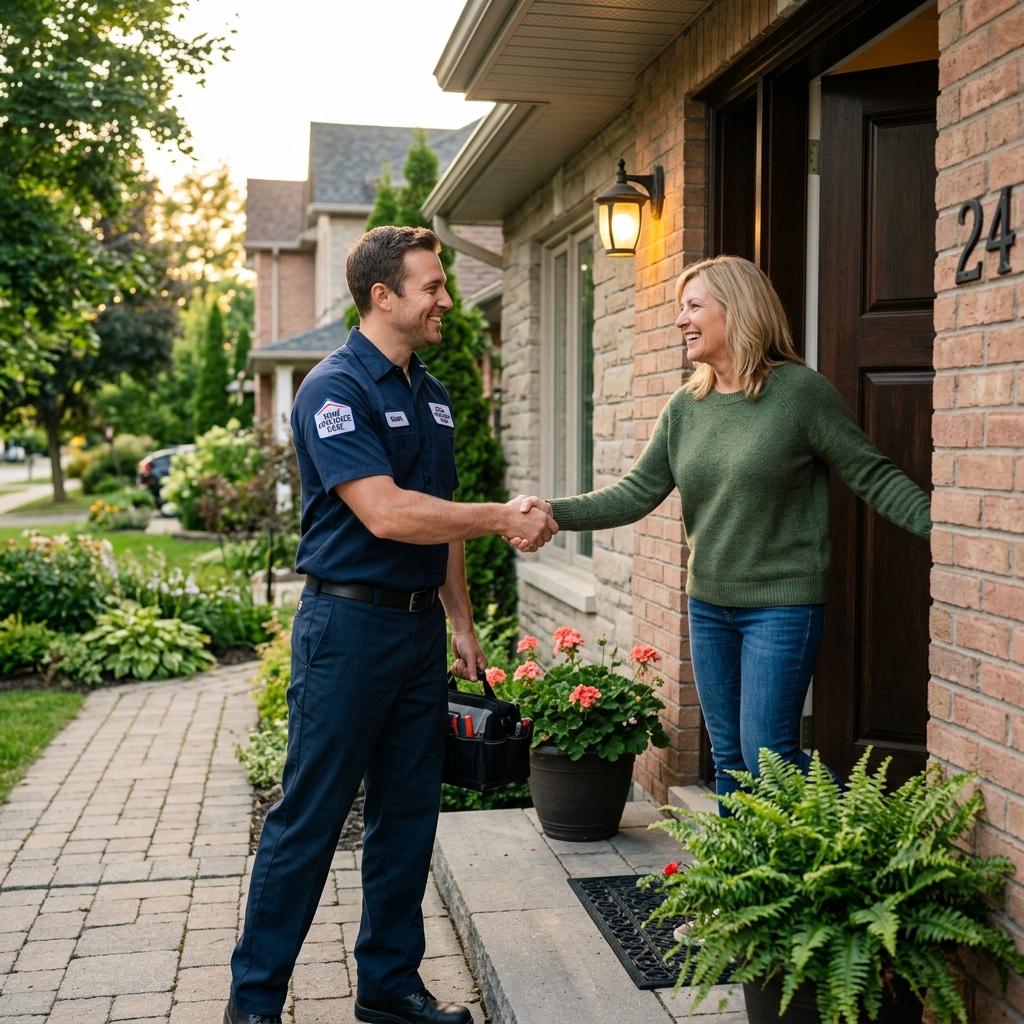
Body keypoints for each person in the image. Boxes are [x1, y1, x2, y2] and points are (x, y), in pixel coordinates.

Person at [225, 226, 558, 1024]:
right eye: (432, 287)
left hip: (416, 636)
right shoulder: (332, 390)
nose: (447, 299)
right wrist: (502, 517)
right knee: (309, 818)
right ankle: (254, 1003)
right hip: (346, 630)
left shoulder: (432, 393)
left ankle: (389, 987)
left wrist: (462, 624)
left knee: (407, 815)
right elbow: (387, 513)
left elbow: (440, 517)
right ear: (383, 296)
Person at [514, 255, 930, 811]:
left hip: (781, 605)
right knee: (730, 757)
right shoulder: (686, 407)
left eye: (693, 306)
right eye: (680, 308)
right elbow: (635, 493)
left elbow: (872, 473)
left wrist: (946, 531)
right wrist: (551, 511)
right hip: (709, 605)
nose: (680, 320)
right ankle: (743, 863)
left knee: (768, 754)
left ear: (737, 310)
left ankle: (870, 833)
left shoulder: (800, 394)